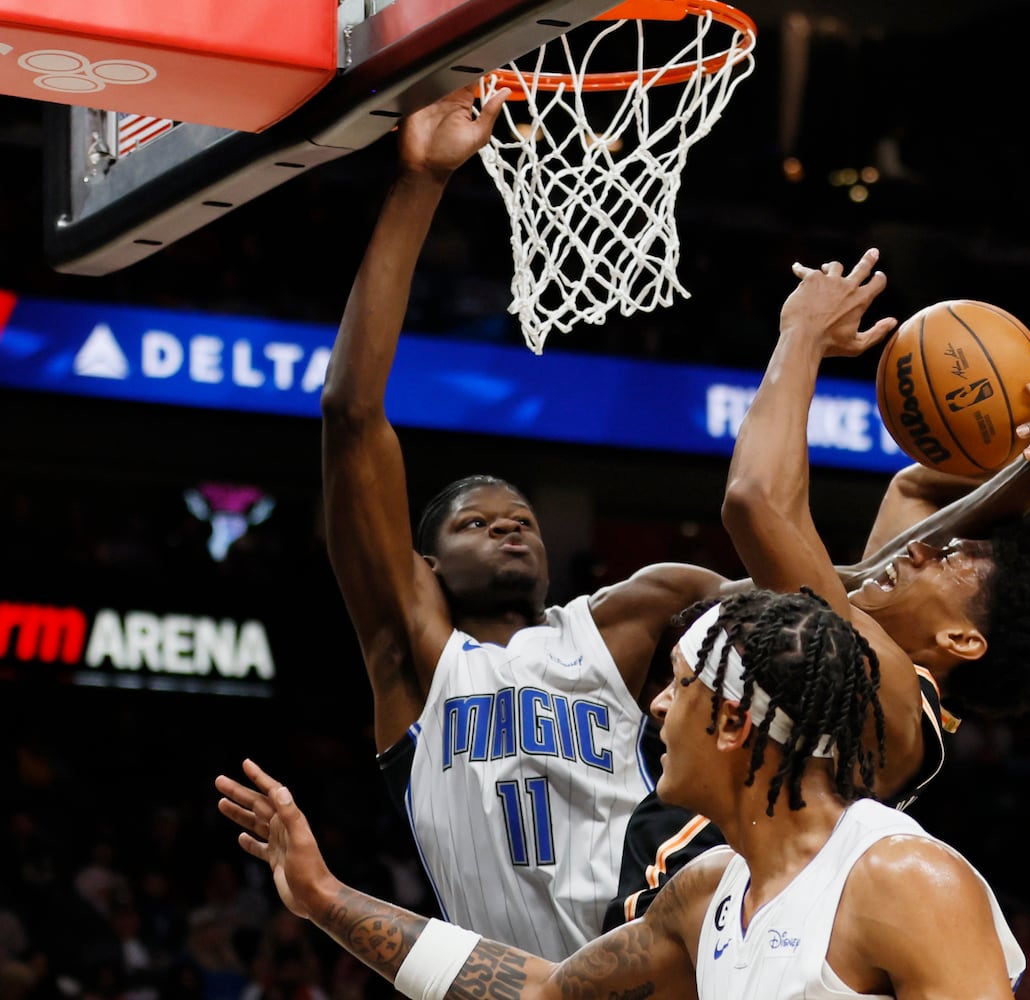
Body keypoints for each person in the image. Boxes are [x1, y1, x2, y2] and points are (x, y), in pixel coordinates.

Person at [605, 253, 1030, 928]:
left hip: (670, 947)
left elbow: (756, 501)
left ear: (962, 639)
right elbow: (911, 488)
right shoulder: (877, 646)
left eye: (949, 557)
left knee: (691, 591)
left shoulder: (883, 698)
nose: (921, 544)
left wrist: (803, 334)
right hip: (659, 917)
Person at [318, 82, 739, 959]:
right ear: (424, 564)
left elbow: (813, 600)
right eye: (476, 523)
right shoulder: (416, 656)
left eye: (521, 520)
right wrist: (421, 182)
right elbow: (352, 412)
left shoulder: (622, 624)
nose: (511, 528)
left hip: (660, 969)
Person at [217, 589, 1027, 999]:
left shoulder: (902, 881)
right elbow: (543, 991)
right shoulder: (705, 892)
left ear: (736, 723)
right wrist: (323, 899)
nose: (659, 707)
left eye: (679, 685)